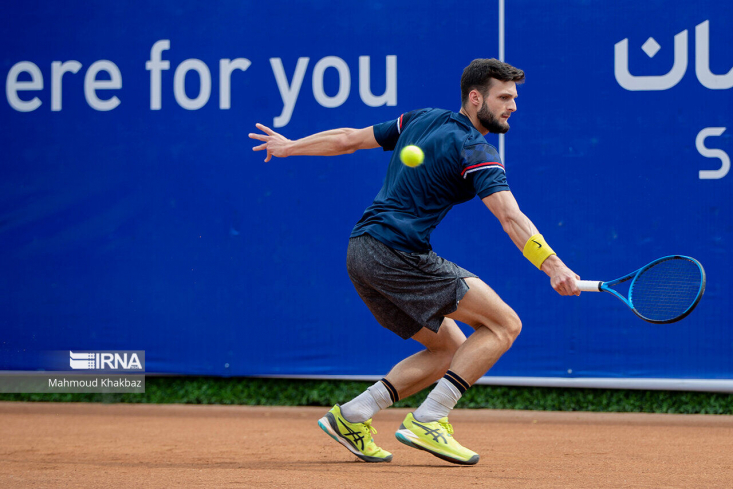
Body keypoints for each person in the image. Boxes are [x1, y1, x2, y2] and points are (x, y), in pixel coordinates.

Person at [249, 58, 581, 465]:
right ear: (475, 98)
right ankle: (431, 418)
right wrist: (554, 266)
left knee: (450, 348)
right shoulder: (476, 147)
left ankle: (352, 416)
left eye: (515, 98)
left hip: (361, 252)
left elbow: (348, 139)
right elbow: (510, 217)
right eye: (504, 97)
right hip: (396, 253)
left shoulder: (421, 119)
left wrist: (289, 147)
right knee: (504, 324)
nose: (513, 106)